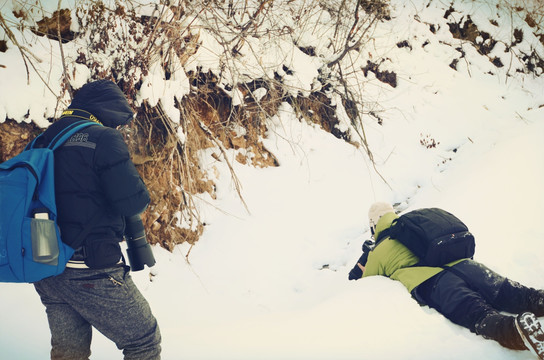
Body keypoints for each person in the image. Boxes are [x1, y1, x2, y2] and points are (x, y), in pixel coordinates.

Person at [33, 79, 161, 360]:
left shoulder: (45, 139)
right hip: (90, 266)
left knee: (69, 352)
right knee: (144, 340)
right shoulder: (103, 138)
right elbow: (134, 201)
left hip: (46, 264)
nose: (117, 128)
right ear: (108, 112)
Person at [349, 202, 544, 359]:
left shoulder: (379, 251)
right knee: (515, 293)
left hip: (435, 283)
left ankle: (517, 332)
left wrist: (366, 266)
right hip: (466, 266)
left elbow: (368, 283)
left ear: (374, 226)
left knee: (479, 314)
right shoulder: (414, 228)